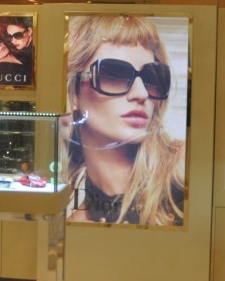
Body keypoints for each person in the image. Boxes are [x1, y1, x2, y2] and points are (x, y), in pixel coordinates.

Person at [65, 14, 185, 226]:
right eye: (114, 75)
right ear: (74, 92)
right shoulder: (74, 213)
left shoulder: (183, 167)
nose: (141, 94)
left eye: (151, 77)